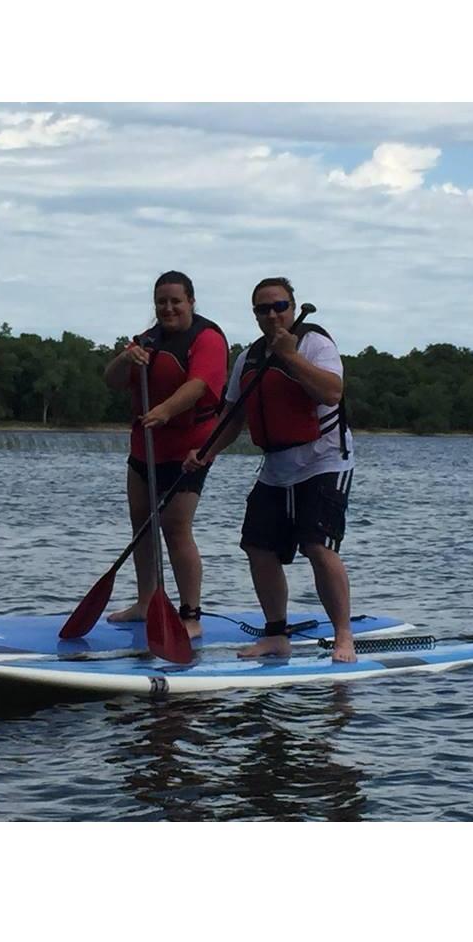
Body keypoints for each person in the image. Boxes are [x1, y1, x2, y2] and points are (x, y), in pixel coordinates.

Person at [184, 277, 356, 662]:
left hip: (323, 459)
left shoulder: (314, 343)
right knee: (257, 547)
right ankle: (276, 634)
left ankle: (344, 636)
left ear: (293, 308)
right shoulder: (249, 358)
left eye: (280, 306)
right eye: (264, 309)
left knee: (317, 546)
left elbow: (331, 392)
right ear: (256, 315)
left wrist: (291, 357)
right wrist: (206, 451)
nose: (273, 314)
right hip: (277, 466)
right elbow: (232, 417)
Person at [103, 271, 228, 637]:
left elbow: (198, 385)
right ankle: (147, 601)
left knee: (175, 527)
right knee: (142, 525)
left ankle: (191, 616)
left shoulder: (208, 338)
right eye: (161, 302)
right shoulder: (146, 341)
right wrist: (126, 360)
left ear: (191, 301)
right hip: (145, 448)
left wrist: (165, 411)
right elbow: (110, 380)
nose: (168, 308)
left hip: (189, 449)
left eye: (176, 301)